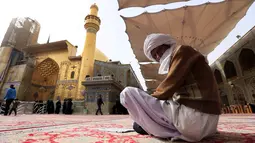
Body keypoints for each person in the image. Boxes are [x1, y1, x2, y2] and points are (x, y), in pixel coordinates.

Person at [120, 34, 221, 142]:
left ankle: (159, 128)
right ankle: (160, 128)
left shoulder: (182, 51)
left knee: (127, 93)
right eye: (155, 56)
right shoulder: (185, 55)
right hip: (208, 125)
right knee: (138, 125)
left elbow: (168, 87)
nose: (158, 57)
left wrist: (147, 102)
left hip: (194, 118)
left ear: (166, 44)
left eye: (158, 51)